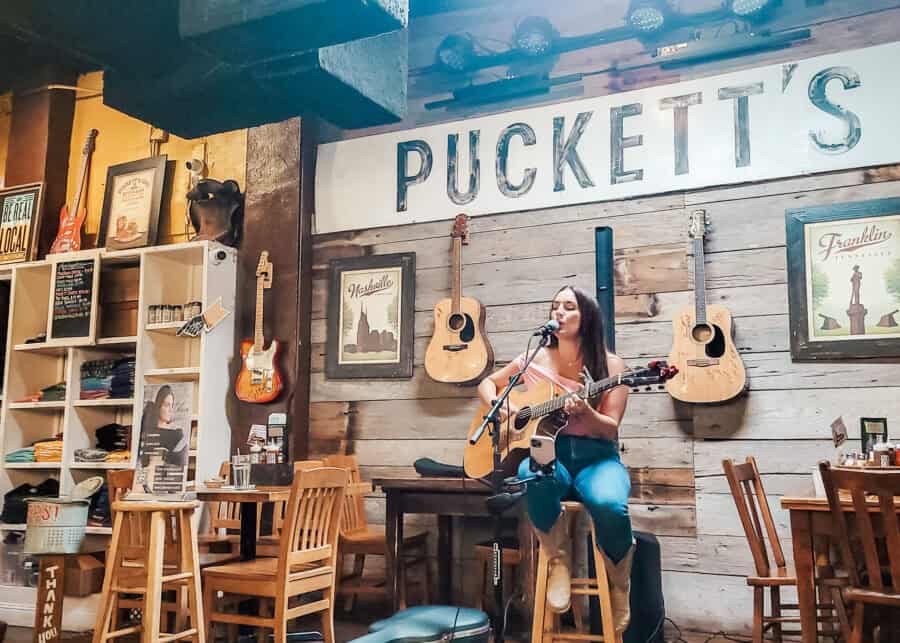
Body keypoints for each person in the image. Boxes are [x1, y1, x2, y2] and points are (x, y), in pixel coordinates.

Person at [476, 285, 634, 631]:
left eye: (569, 307)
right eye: (555, 307)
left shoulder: (610, 365)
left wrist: (587, 414)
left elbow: (609, 429)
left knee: (610, 505)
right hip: (550, 450)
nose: (559, 313)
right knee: (531, 472)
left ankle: (619, 583)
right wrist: (502, 408)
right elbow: (488, 384)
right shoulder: (533, 360)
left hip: (597, 458)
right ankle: (557, 558)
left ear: (587, 317)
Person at [139, 385, 188, 467]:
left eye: (171, 406)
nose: (170, 410)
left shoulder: (177, 434)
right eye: (166, 405)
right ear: (158, 406)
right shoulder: (176, 435)